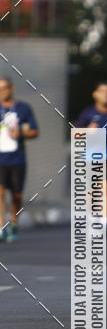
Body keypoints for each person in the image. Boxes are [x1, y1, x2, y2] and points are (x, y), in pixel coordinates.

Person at [75, 83, 107, 228]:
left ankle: (105, 222)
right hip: (91, 156)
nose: (106, 94)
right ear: (95, 94)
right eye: (102, 91)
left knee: (106, 188)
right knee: (92, 191)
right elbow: (76, 133)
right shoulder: (88, 113)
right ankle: (93, 216)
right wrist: (87, 130)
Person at [0, 77, 39, 242]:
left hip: (17, 159)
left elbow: (35, 131)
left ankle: (14, 224)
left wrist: (21, 134)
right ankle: (2, 227)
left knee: (16, 195)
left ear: (12, 88)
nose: (2, 92)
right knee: (0, 192)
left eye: (4, 88)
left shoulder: (24, 108)